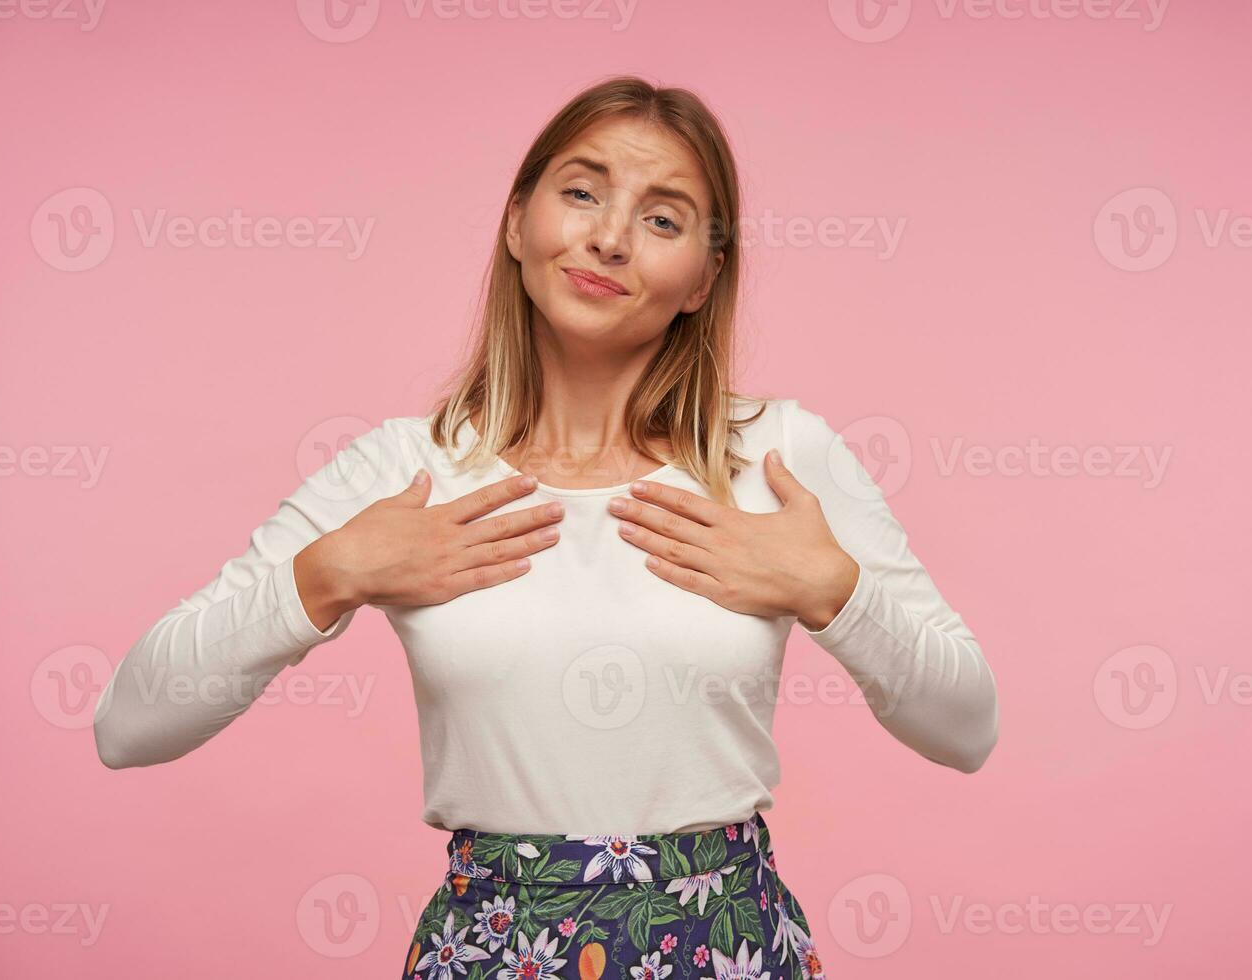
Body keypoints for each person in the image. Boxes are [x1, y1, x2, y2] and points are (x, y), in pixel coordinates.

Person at [93, 75, 999, 980]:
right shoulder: (406, 469)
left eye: (663, 219)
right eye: (581, 192)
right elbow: (130, 725)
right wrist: (327, 574)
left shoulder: (777, 457)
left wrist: (832, 592)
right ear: (519, 219)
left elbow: (968, 727)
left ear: (703, 278)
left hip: (728, 951)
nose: (609, 235)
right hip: (490, 954)